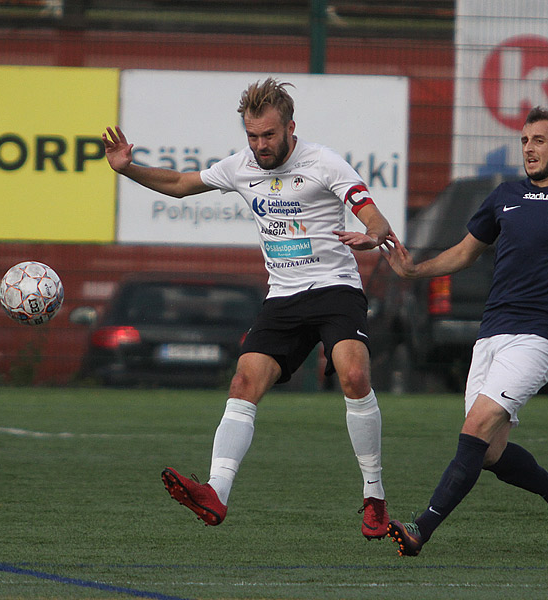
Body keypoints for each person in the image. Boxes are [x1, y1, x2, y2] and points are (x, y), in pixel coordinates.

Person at [102, 78, 392, 540]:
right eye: (252, 136)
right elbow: (180, 184)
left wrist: (373, 233)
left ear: (290, 128)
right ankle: (216, 492)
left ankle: (374, 498)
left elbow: (370, 211)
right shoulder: (241, 166)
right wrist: (127, 168)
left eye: (269, 136)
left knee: (354, 376)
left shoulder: (324, 163)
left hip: (335, 288)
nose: (260, 145)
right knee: (243, 382)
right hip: (283, 296)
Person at [380, 106, 548, 556]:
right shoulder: (504, 196)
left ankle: (420, 530)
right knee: (487, 451)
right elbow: (466, 253)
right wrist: (414, 270)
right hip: (490, 335)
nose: (528, 148)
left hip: (539, 337)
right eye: (524, 141)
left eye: (539, 141)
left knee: (476, 425)